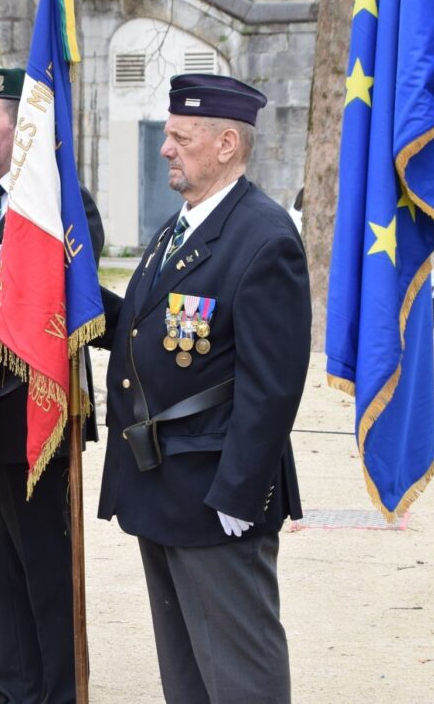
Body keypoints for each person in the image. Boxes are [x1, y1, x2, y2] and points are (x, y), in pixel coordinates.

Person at [97, 73, 309, 704]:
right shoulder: (179, 227)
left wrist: (239, 496)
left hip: (216, 492)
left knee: (239, 671)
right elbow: (149, 330)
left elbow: (271, 388)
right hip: (161, 482)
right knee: (185, 670)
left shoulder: (264, 237)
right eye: (168, 135)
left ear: (225, 144)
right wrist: (69, 296)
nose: (166, 148)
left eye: (180, 137)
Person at [0, 68, 106, 703]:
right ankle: (15, 690)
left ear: (27, 127)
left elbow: (58, 300)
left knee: (45, 574)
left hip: (34, 416)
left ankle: (56, 692)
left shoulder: (61, 203)